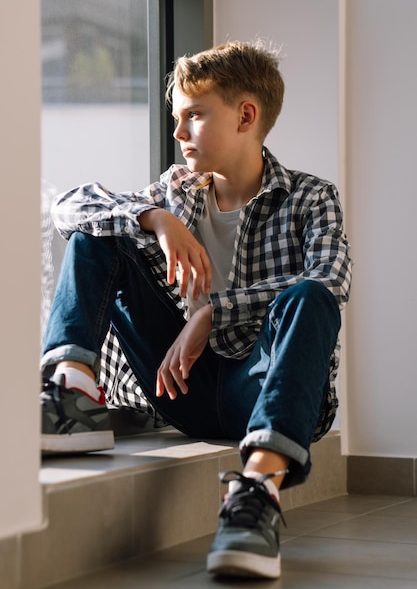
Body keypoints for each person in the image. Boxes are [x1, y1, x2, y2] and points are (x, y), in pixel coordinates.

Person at [40, 40, 352, 579]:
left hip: (260, 391)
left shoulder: (310, 198)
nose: (179, 133)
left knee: (310, 297)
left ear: (246, 116)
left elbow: (330, 279)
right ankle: (73, 391)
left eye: (194, 116)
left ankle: (255, 497)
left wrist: (212, 313)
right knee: (97, 234)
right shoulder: (176, 190)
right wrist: (156, 220)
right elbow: (68, 207)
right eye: (176, 117)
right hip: (178, 387)